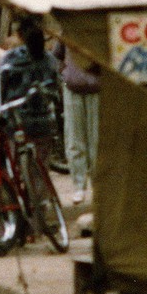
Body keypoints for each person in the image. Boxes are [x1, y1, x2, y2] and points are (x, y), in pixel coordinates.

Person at [0, 14, 60, 153]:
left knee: (14, 163)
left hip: (15, 123)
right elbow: (56, 90)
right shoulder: (50, 60)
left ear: (21, 37)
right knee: (40, 167)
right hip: (44, 123)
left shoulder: (10, 59)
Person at [54, 40, 99, 205]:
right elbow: (57, 57)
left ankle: (98, 187)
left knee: (96, 141)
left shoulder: (97, 29)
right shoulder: (67, 29)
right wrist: (63, 77)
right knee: (74, 139)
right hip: (72, 87)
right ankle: (78, 186)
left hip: (97, 88)